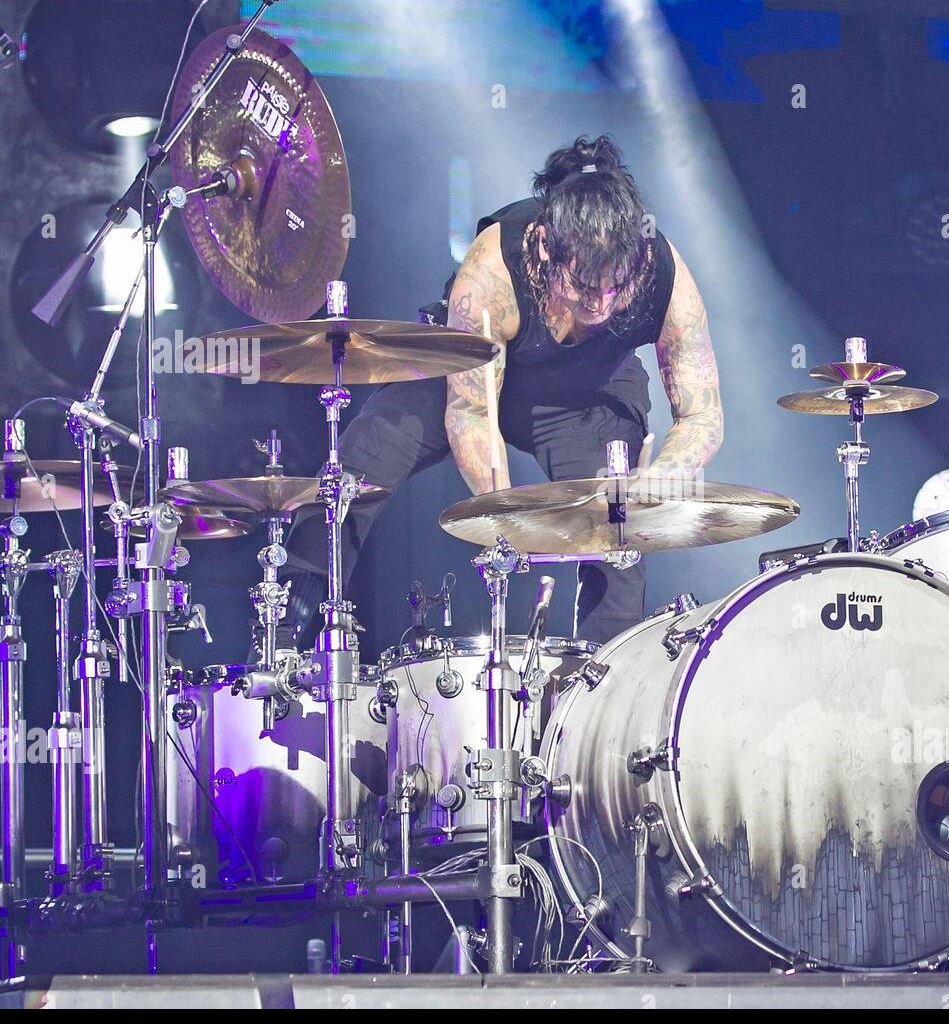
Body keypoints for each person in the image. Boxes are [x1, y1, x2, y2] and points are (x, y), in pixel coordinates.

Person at [278, 135, 723, 647]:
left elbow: (703, 413)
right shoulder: (493, 269)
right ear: (544, 246)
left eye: (614, 288)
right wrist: (507, 518)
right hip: (466, 372)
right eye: (582, 286)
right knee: (361, 459)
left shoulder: (662, 276)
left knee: (618, 530)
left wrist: (660, 480)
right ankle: (287, 646)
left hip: (585, 396)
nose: (600, 305)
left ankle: (597, 688)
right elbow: (470, 414)